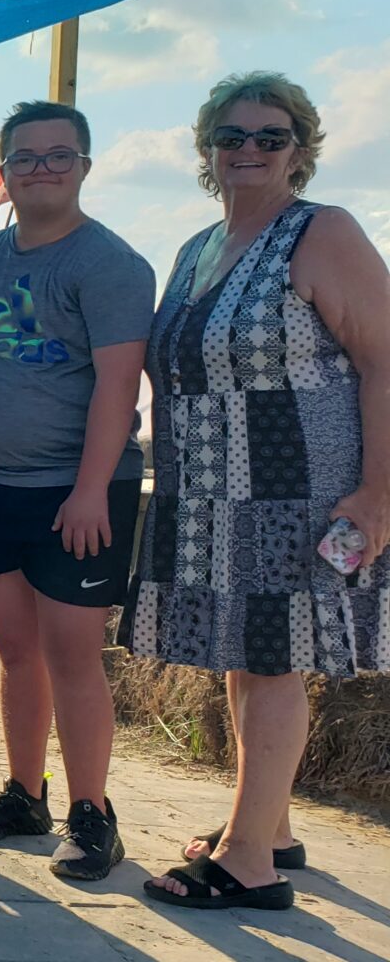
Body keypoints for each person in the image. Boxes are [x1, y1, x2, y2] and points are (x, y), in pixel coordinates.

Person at [130, 73, 388, 911]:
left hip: (299, 490)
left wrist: (379, 495)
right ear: (207, 150)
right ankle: (268, 825)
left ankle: (249, 866)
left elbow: (387, 361)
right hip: (209, 492)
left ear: (301, 151)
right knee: (245, 657)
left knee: (272, 658)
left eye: (269, 137)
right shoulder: (197, 247)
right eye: (231, 135)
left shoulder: (323, 232)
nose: (248, 149)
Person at [0, 101, 153, 880]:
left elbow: (118, 386)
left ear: (85, 167)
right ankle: (25, 794)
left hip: (77, 490)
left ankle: (92, 813)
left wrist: (92, 488)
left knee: (72, 654)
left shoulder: (110, 264)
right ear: (4, 173)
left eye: (58, 156)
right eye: (24, 158)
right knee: (14, 648)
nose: (41, 170)